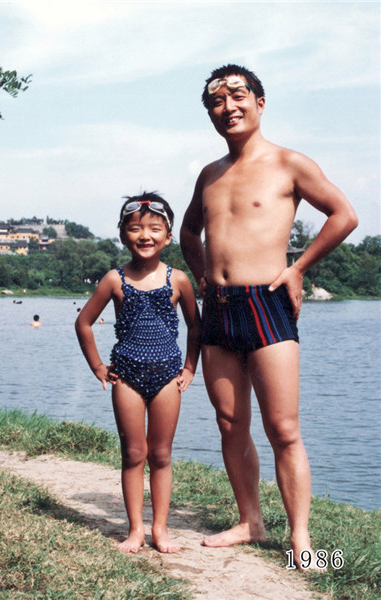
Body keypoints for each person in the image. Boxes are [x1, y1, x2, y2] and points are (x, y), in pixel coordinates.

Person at [180, 64, 358, 568]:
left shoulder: (288, 163)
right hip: (218, 306)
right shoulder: (209, 174)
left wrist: (299, 267)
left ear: (260, 103)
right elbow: (189, 232)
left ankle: (300, 537)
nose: (228, 106)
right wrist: (201, 277)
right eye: (217, 101)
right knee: (230, 422)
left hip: (268, 302)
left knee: (283, 427)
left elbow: (344, 214)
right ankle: (250, 521)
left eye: (238, 95)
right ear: (211, 113)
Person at [76, 192, 200, 554]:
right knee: (133, 454)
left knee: (161, 455)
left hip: (167, 377)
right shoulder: (114, 280)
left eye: (154, 229)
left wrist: (191, 367)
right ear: (122, 234)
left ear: (168, 236)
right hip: (126, 376)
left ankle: (161, 529)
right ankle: (136, 530)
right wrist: (98, 366)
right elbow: (83, 323)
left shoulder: (179, 280)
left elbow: (196, 327)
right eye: (135, 229)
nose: (145, 235)